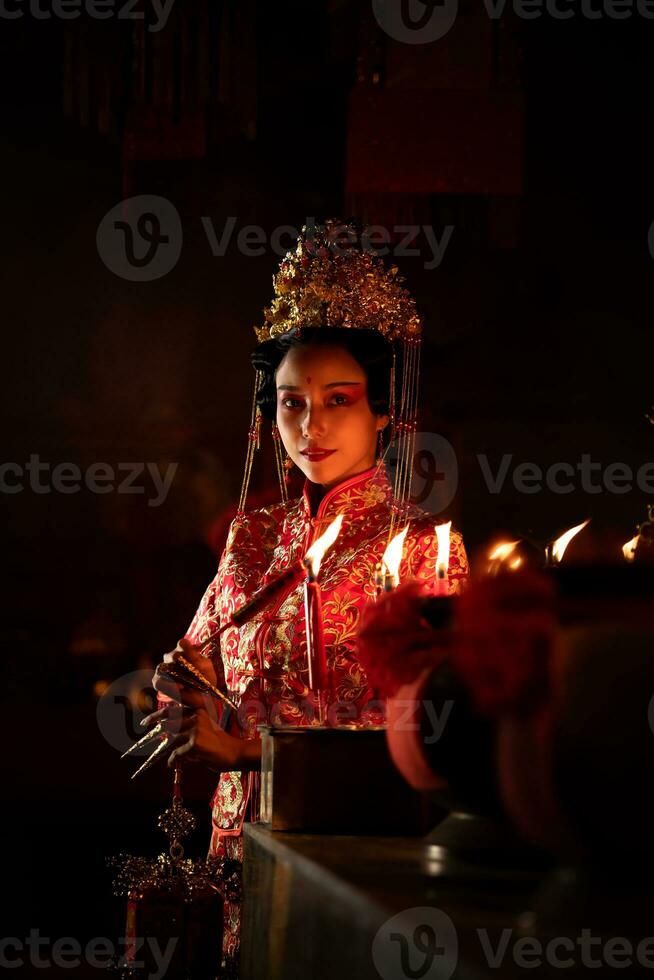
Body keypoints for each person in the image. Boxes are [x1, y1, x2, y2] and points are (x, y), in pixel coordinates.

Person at [144, 220, 469, 973]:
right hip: (240, 847)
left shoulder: (422, 550)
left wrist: (252, 750)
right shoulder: (253, 539)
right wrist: (179, 690)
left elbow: (440, 735)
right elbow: (197, 665)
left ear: (383, 411)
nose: (310, 426)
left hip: (365, 849)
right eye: (291, 402)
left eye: (339, 399)